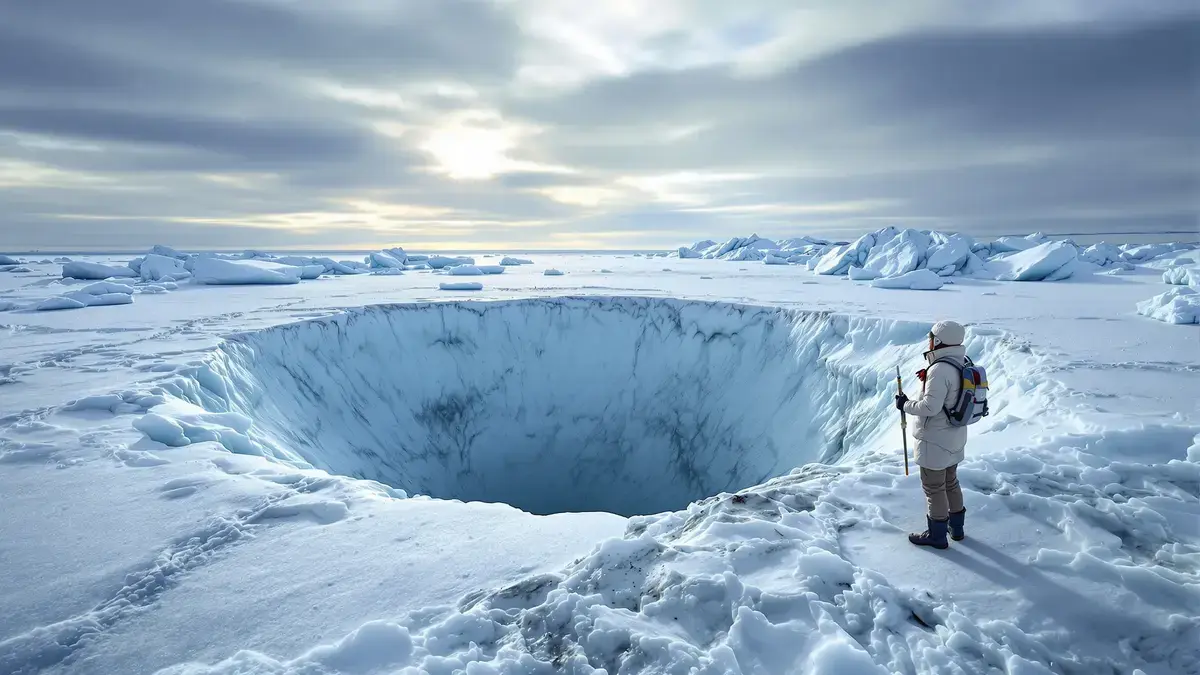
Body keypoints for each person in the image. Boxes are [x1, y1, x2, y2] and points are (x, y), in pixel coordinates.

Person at [894, 320, 968, 549]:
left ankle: (936, 535)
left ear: (938, 341)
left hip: (934, 440)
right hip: (954, 437)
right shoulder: (960, 362)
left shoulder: (939, 369)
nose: (929, 341)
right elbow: (950, 394)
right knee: (950, 482)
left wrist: (905, 404)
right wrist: (929, 380)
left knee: (934, 487)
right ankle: (956, 528)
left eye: (931, 337)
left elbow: (930, 408)